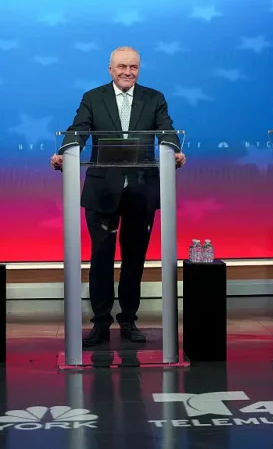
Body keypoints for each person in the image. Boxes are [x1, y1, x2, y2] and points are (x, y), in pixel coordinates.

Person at [51, 46, 186, 347]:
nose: (127, 72)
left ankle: (128, 320)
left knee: (134, 258)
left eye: (133, 67)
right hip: (102, 190)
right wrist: (64, 153)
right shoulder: (93, 98)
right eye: (122, 66)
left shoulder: (154, 98)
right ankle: (100, 323)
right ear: (110, 69)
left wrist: (174, 149)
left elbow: (167, 130)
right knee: (101, 258)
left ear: (140, 69)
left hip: (141, 189)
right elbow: (78, 131)